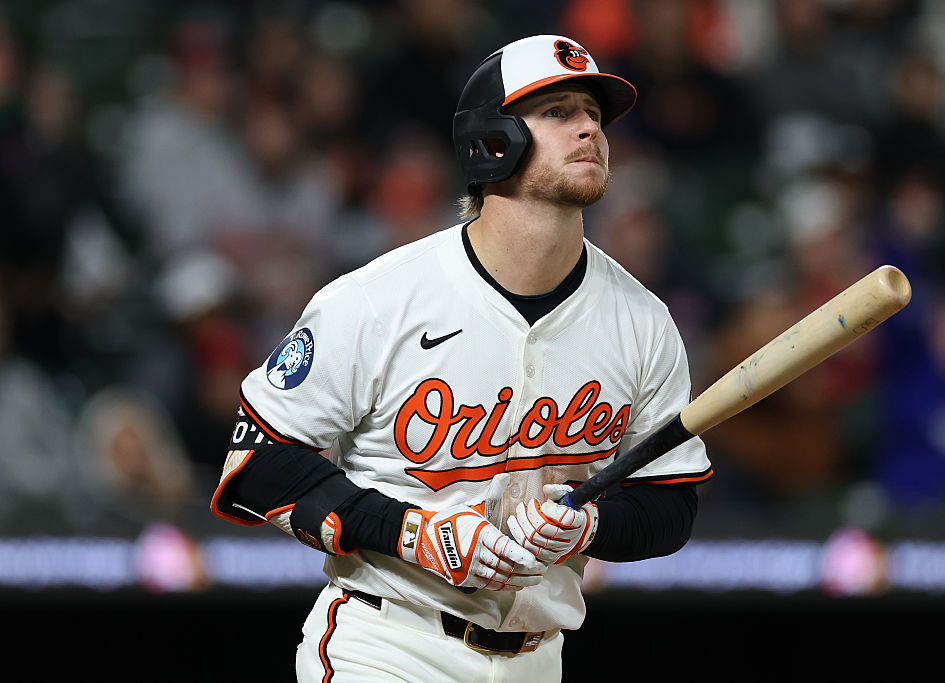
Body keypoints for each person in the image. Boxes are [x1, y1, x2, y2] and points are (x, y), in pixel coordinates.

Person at [211, 34, 712, 682]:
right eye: (558, 112)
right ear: (492, 139)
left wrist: (589, 524)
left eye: (593, 113)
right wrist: (413, 531)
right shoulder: (378, 300)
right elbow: (256, 465)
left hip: (538, 655)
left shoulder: (642, 322)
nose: (589, 126)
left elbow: (670, 503)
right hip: (388, 639)